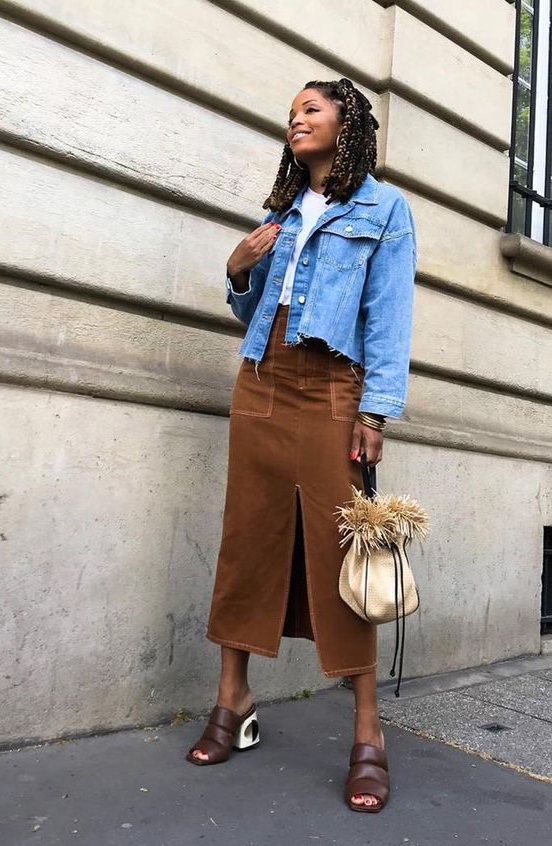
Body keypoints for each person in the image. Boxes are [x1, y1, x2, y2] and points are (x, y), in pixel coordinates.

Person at [186, 77, 417, 813]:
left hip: (331, 388)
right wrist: (237, 269)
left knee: (337, 544)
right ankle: (233, 701)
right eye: (290, 114)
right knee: (245, 537)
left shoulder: (384, 208)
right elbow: (251, 310)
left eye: (311, 109)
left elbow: (388, 316)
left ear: (347, 122)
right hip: (262, 378)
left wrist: (374, 414)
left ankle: (368, 733)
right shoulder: (282, 210)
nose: (297, 121)